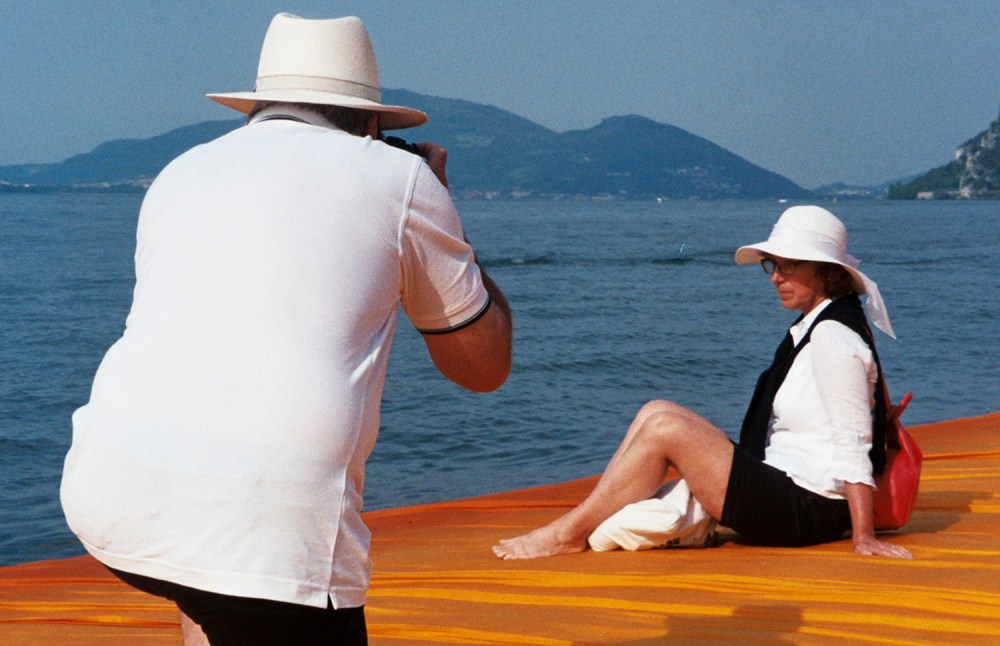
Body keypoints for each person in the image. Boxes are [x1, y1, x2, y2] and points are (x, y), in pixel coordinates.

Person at [61, 13, 512, 646]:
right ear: (373, 123)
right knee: (243, 577)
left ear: (259, 108)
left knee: (212, 587)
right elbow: (481, 368)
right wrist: (446, 216)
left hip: (112, 496)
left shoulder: (179, 172)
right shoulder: (401, 179)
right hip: (275, 525)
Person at [493, 205, 912, 561]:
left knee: (665, 429)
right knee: (655, 410)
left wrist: (863, 536)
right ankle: (586, 522)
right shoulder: (814, 327)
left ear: (825, 272)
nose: (775, 277)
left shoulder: (833, 336)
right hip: (782, 485)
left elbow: (852, 442)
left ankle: (567, 534)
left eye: (790, 266)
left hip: (808, 507)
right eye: (773, 264)